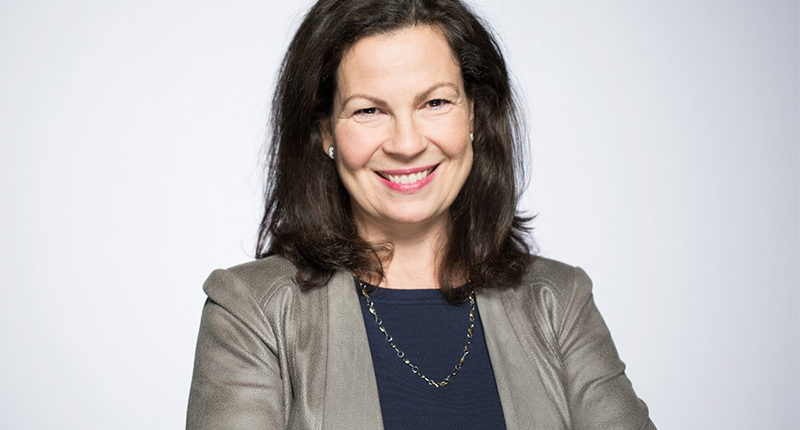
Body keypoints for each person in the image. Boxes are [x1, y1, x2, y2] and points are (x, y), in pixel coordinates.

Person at [187, 0, 655, 429]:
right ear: (326, 131)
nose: (407, 144)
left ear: (473, 115)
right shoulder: (252, 312)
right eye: (369, 110)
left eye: (435, 103)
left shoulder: (559, 302)